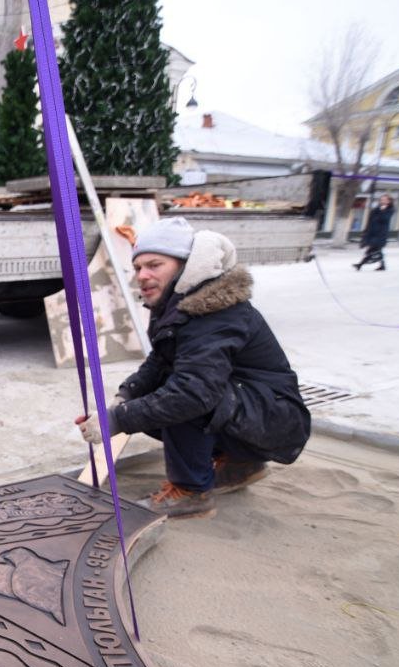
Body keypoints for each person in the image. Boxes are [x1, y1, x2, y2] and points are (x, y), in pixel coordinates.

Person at [75, 218, 311, 519]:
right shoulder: (180, 306)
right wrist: (125, 398)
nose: (142, 276)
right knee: (158, 395)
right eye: (137, 268)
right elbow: (159, 361)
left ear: (187, 266)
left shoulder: (214, 313)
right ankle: (239, 465)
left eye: (154, 265)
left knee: (184, 395)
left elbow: (192, 393)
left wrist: (118, 420)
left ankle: (191, 492)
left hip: (276, 419)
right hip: (255, 410)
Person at [354, 194, 395, 271]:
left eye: (384, 200)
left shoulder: (390, 210)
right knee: (377, 251)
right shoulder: (376, 209)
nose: (382, 201)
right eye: (381, 199)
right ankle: (382, 266)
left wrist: (382, 210)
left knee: (371, 250)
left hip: (380, 234)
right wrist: (366, 230)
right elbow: (370, 220)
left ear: (389, 201)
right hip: (372, 232)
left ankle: (360, 265)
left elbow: (384, 219)